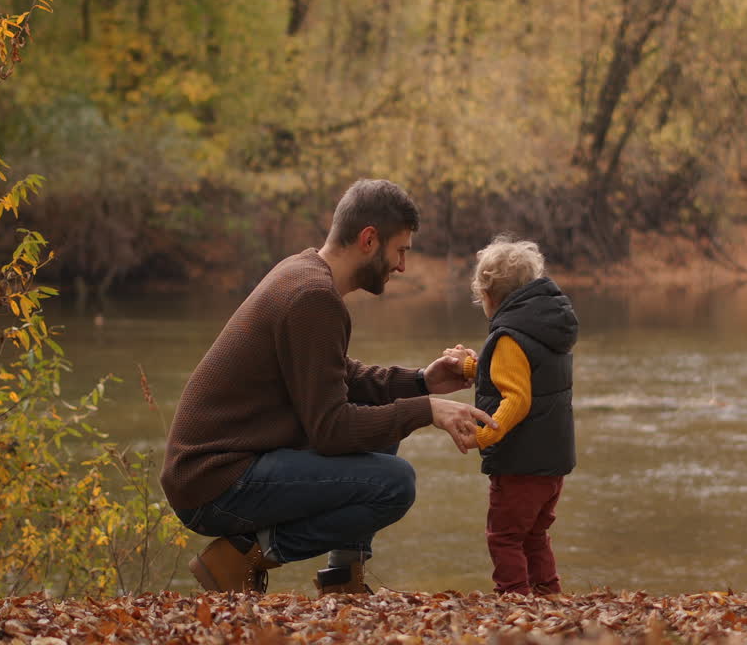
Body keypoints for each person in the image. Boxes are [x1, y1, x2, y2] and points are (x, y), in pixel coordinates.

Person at [159, 179, 498, 596]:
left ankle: (342, 578)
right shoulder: (313, 297)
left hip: (219, 468)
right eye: (401, 250)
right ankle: (239, 556)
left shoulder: (301, 272)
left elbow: (340, 377)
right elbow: (331, 430)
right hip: (215, 481)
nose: (403, 266)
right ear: (369, 240)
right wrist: (426, 410)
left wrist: (420, 382)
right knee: (395, 483)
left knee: (381, 442)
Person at [447, 235, 578, 596]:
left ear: (489, 298)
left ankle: (514, 601)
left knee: (504, 537)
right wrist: (471, 367)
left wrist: (484, 434)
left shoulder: (508, 337)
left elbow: (517, 399)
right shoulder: (548, 328)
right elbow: (524, 374)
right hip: (551, 463)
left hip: (520, 464)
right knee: (534, 536)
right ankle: (549, 597)